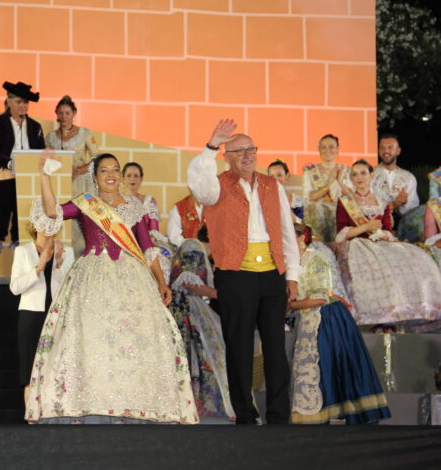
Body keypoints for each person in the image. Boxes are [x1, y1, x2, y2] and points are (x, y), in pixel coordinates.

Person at [24, 151, 198, 424]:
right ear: (94, 177)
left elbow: (147, 248)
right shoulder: (85, 203)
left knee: (134, 338)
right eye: (104, 170)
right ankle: (91, 401)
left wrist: (162, 283)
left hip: (132, 279)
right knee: (93, 336)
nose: (111, 175)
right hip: (93, 276)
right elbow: (51, 212)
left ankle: (136, 403)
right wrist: (44, 175)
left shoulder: (134, 207)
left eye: (115, 170)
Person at [187, 119, 300, 425]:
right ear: (226, 156)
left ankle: (278, 417)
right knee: (238, 348)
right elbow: (198, 184)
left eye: (251, 149)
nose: (248, 155)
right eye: (239, 151)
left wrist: (292, 276)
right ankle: (245, 417)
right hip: (236, 275)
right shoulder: (217, 184)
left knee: (276, 350)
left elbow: (287, 232)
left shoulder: (271, 185)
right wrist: (210, 146)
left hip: (273, 274)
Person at [288, 223, 390, 424]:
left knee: (329, 365)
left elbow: (319, 297)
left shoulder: (315, 259)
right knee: (320, 369)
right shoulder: (292, 262)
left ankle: (335, 417)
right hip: (311, 317)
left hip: (326, 318)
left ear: (301, 239)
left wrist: (287, 305)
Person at [332, 159, 441, 330]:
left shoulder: (381, 201)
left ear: (371, 175)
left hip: (380, 243)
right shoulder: (345, 201)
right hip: (356, 245)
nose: (359, 177)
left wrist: (381, 234)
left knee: (413, 258)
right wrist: (365, 227)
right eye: (354, 174)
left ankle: (399, 313)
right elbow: (340, 234)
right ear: (351, 178)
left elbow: (389, 230)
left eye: (363, 173)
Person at [168, 227, 234, 422]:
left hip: (189, 306)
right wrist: (219, 295)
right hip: (185, 308)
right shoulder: (193, 247)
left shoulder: (196, 249)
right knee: (194, 352)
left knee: (198, 354)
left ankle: (197, 403)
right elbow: (187, 281)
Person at [0, 81, 45, 274]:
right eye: (19, 102)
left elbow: (40, 152)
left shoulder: (35, 127)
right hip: (3, 180)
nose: (23, 106)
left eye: (25, 102)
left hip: (27, 183)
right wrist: (10, 163)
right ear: (8, 102)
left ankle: (22, 272)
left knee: (23, 228)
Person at [9, 222, 73, 407]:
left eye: (52, 223)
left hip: (56, 315)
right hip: (31, 314)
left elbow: (71, 288)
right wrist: (39, 266)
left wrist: (59, 262)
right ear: (35, 225)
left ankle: (53, 414)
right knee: (29, 370)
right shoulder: (23, 251)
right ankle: (31, 418)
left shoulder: (65, 251)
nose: (48, 227)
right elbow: (15, 287)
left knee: (56, 367)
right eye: (43, 222)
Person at [45, 95, 99, 256]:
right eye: (60, 113)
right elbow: (47, 159)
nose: (63, 117)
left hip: (81, 183)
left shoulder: (84, 133)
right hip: (59, 184)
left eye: (67, 113)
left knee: (79, 220)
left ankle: (81, 256)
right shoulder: (51, 137)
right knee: (58, 217)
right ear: (56, 113)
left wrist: (79, 169)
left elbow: (97, 158)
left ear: (74, 113)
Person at [123, 162, 175, 283]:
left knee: (162, 263)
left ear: (141, 179)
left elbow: (154, 230)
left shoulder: (149, 201)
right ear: (123, 178)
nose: (132, 179)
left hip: (147, 245)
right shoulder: (117, 201)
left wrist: (148, 244)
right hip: (125, 246)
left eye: (136, 175)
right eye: (129, 175)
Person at [372, 134, 421, 241]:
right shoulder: (370, 175)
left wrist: (404, 202)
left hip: (403, 231)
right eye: (382, 147)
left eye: (390, 147)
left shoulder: (408, 177)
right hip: (375, 228)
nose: (386, 151)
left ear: (398, 151)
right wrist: (393, 204)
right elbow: (366, 205)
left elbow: (413, 213)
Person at [302, 134, 352, 242]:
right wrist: (328, 185)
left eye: (331, 147)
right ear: (319, 150)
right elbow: (310, 197)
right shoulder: (310, 171)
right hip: (319, 218)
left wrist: (338, 181)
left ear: (337, 149)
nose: (327, 150)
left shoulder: (346, 170)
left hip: (341, 214)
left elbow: (351, 196)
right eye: (323, 147)